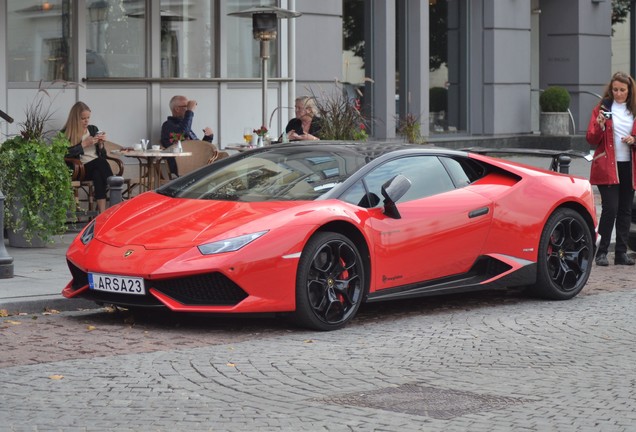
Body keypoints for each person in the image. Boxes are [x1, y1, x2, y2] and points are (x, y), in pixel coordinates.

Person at [586, 71, 636, 266]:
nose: (618, 93)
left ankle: (621, 253)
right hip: (608, 166)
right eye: (615, 89)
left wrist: (634, 140)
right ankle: (602, 252)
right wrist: (599, 125)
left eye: (622, 90)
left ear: (629, 90)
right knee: (610, 209)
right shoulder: (602, 108)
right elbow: (591, 138)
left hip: (629, 166)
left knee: (625, 210)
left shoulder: (633, 110)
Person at [62, 101, 114, 214]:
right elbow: (63, 154)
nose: (86, 121)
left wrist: (100, 144)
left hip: (96, 167)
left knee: (98, 174)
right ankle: (115, 188)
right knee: (100, 162)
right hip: (80, 169)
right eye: (83, 118)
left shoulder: (93, 129)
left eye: (88, 118)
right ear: (75, 118)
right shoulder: (66, 133)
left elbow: (103, 154)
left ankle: (102, 214)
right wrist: (84, 144)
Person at [160, 95, 214, 178]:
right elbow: (182, 134)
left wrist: (208, 137)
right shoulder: (168, 125)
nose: (190, 108)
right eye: (187, 106)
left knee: (224, 159)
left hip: (195, 162)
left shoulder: (185, 126)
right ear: (177, 109)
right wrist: (190, 111)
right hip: (181, 165)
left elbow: (198, 148)